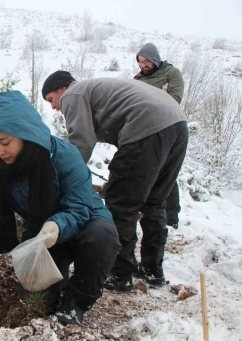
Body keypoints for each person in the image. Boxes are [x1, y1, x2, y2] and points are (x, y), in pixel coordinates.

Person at [0, 90, 120, 326]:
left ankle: (77, 301)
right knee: (38, 304)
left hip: (84, 222)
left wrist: (58, 225)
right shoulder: (1, 171)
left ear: (25, 134)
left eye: (5, 142)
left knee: (102, 236)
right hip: (42, 237)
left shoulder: (65, 157)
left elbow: (80, 207)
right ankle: (56, 286)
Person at [42, 71, 188, 291]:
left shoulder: (73, 93)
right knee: (154, 202)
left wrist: (65, 178)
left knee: (120, 205)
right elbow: (133, 165)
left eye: (51, 99)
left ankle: (120, 274)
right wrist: (116, 182)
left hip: (147, 127)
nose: (53, 106)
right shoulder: (98, 90)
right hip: (176, 125)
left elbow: (81, 142)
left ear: (61, 89)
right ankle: (153, 270)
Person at [134, 43, 185, 230]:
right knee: (145, 171)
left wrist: (156, 99)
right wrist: (160, 93)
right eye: (140, 62)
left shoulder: (172, 73)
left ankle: (171, 217)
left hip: (167, 126)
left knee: (166, 170)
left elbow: (174, 100)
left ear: (155, 59)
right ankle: (144, 211)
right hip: (143, 130)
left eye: (146, 61)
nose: (143, 65)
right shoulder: (137, 79)